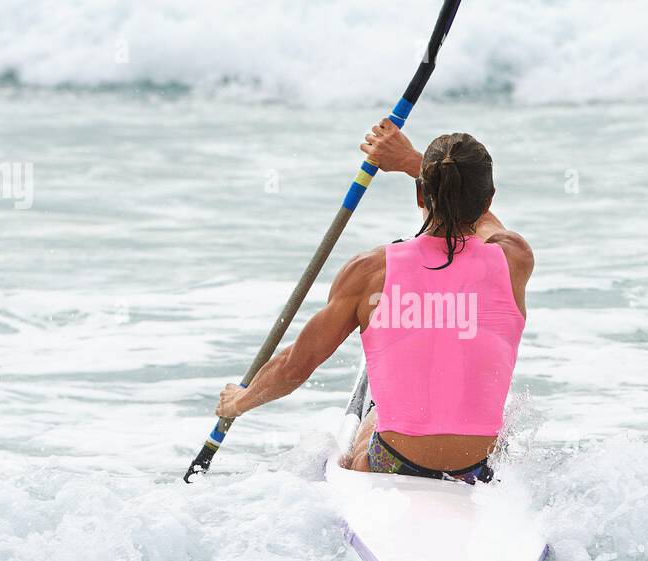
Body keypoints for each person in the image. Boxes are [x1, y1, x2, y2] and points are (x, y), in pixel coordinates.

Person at [216, 118, 534, 482]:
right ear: (489, 198)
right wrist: (409, 160)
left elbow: (295, 366)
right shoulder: (514, 258)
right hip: (477, 465)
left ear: (420, 195)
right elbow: (485, 223)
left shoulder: (369, 272)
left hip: (396, 461)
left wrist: (238, 401)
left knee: (373, 417)